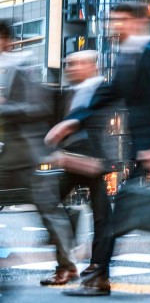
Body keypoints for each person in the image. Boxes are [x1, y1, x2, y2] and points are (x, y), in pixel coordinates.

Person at [46, 1, 150, 296]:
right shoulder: (128, 54)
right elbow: (113, 94)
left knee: (114, 220)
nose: (114, 26)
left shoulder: (147, 54)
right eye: (113, 20)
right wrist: (72, 122)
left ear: (137, 21)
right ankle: (101, 274)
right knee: (114, 218)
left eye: (120, 20)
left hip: (136, 149)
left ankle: (99, 276)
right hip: (135, 149)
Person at [0, 20, 78, 285]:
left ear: (5, 40)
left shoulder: (21, 67)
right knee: (48, 211)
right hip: (11, 155)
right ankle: (66, 265)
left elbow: (37, 107)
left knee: (48, 211)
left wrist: (4, 106)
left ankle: (67, 266)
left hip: (27, 155)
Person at [46, 51, 113, 285]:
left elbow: (87, 118)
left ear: (91, 66)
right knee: (49, 205)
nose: (70, 68)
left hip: (91, 161)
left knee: (102, 217)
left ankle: (97, 267)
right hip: (70, 159)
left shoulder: (101, 88)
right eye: (68, 64)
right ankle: (67, 266)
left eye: (76, 64)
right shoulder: (68, 92)